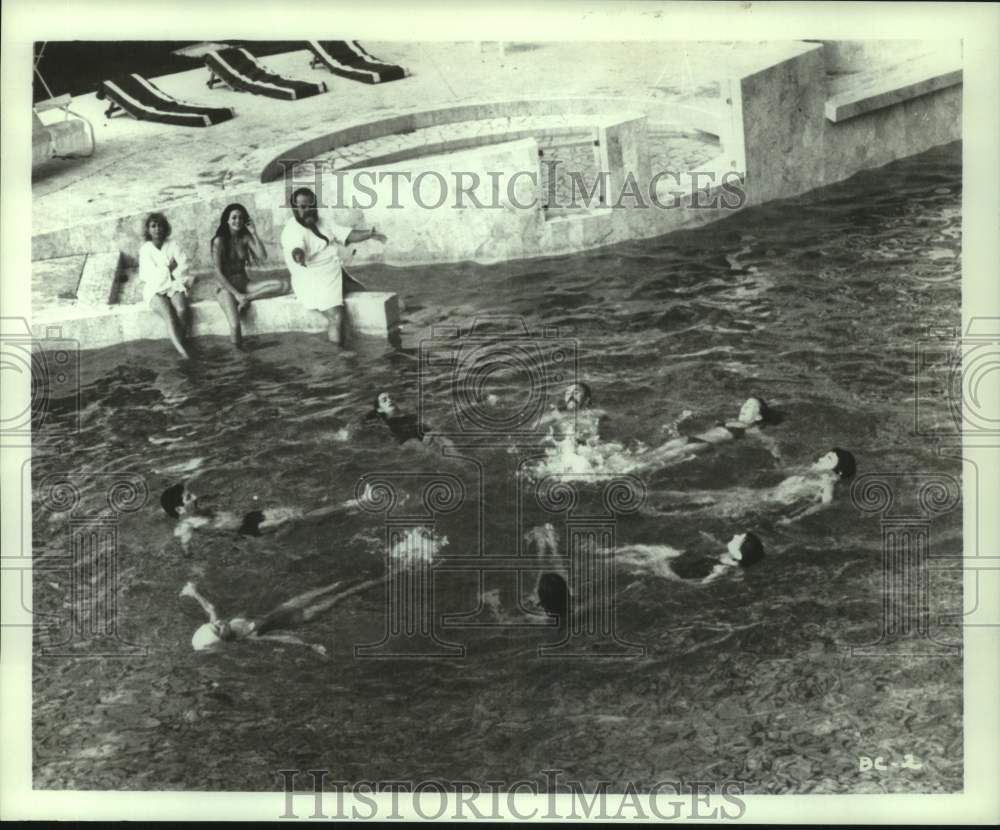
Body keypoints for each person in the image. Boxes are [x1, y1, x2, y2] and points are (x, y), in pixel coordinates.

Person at [280, 187, 387, 346]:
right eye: (302, 207)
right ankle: (339, 354)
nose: (308, 210)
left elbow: (347, 235)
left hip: (334, 273)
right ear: (294, 209)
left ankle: (356, 339)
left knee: (364, 294)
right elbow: (297, 248)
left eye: (311, 205)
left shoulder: (322, 221)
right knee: (335, 317)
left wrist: (370, 234)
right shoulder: (292, 230)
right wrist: (298, 256)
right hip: (313, 281)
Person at [160, 480, 369, 556]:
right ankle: (355, 503)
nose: (194, 496)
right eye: (189, 497)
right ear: (179, 510)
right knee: (300, 519)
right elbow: (187, 549)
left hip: (252, 516)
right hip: (253, 530)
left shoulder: (195, 511)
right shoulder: (186, 526)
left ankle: (346, 512)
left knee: (295, 512)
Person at [180, 577, 383, 653]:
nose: (220, 623)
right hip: (300, 617)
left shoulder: (219, 625)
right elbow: (283, 638)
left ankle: (364, 576)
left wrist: (194, 592)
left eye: (215, 625)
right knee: (342, 596)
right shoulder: (249, 637)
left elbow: (211, 608)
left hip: (284, 607)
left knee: (333, 585)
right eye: (219, 628)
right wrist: (309, 645)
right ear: (223, 639)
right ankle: (382, 579)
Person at [210, 203, 290, 347]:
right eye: (234, 217)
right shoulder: (219, 241)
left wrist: (254, 233)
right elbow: (218, 273)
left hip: (244, 284)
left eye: (241, 218)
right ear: (226, 220)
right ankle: (239, 355)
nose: (237, 221)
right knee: (235, 325)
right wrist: (236, 294)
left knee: (283, 285)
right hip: (226, 289)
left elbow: (262, 255)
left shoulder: (245, 238)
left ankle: (247, 298)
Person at [640, 395, 779, 468]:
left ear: (758, 416)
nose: (743, 408)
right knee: (665, 447)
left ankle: (633, 471)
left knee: (671, 454)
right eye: (744, 404)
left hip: (706, 444)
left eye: (749, 407)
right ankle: (630, 463)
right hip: (693, 437)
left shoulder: (751, 429)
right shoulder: (731, 420)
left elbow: (768, 441)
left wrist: (777, 458)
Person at [139, 212, 191, 359]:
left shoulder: (172, 245)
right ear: (148, 230)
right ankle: (183, 353)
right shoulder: (145, 250)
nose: (157, 229)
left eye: (160, 225)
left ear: (165, 228)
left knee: (181, 309)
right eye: (153, 226)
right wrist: (168, 269)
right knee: (170, 316)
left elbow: (183, 265)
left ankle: (179, 343)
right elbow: (148, 276)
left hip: (173, 283)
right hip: (154, 289)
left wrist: (166, 273)